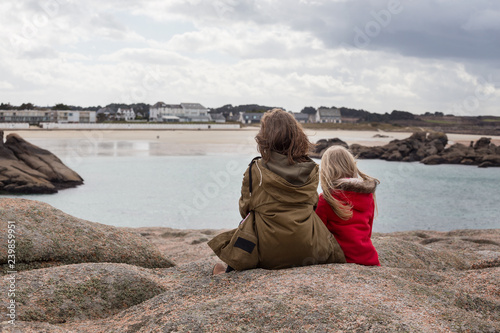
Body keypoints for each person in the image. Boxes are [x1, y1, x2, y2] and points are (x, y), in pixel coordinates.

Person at [209, 109, 346, 274]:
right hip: (310, 247)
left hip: (268, 253)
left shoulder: (256, 170)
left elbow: (244, 208)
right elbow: (314, 205)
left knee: (248, 222)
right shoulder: (312, 169)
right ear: (297, 135)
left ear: (265, 138)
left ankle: (229, 271)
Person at [315, 145, 381, 266]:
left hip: (344, 259)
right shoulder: (368, 196)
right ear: (351, 165)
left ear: (326, 171)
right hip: (370, 259)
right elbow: (368, 231)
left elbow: (319, 236)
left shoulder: (326, 200)